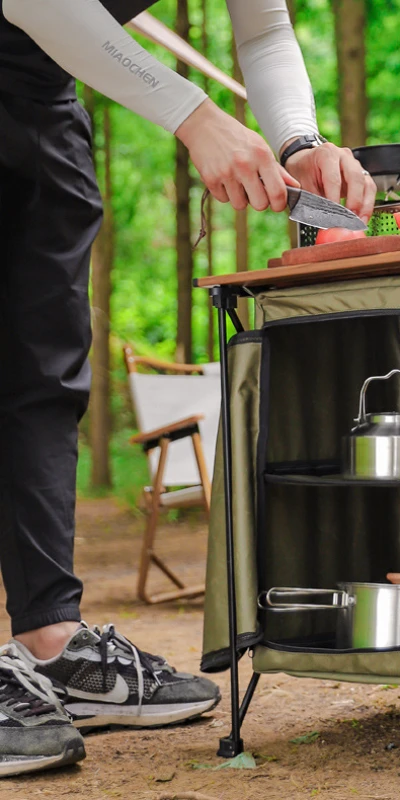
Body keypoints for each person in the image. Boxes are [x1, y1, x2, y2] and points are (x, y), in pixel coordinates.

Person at [0, 0, 376, 777]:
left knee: (45, 368)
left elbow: (265, 30)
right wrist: (194, 115)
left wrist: (298, 143)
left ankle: (51, 641)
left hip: (41, 88)